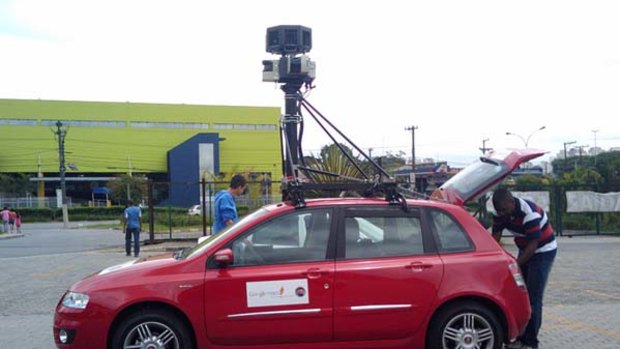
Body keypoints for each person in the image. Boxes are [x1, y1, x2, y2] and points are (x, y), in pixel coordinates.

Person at [491, 188, 557, 349]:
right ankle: (519, 337)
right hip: (525, 248)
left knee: (533, 298)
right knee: (521, 295)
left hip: (542, 252)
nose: (502, 214)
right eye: (499, 211)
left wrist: (515, 266)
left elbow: (533, 246)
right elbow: (495, 238)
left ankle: (530, 342)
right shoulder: (500, 213)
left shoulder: (530, 214)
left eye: (504, 210)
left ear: (512, 202)